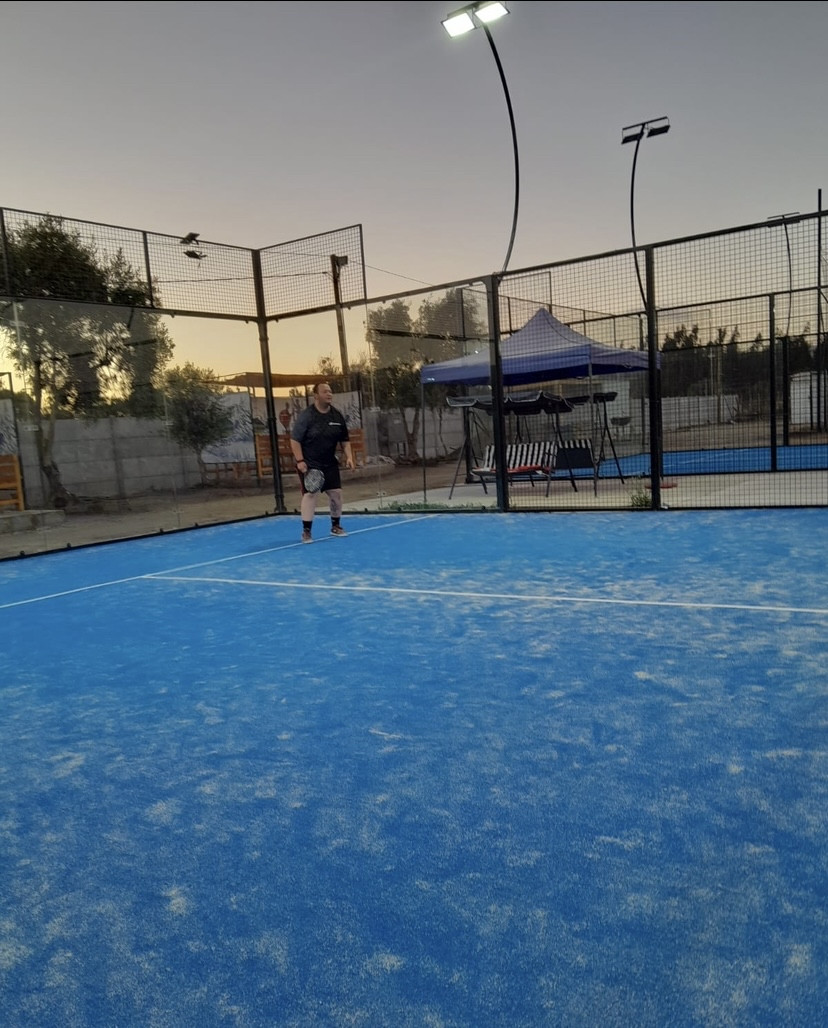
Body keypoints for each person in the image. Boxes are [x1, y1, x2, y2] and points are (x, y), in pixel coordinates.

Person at [290, 382, 355, 543]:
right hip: (310, 463)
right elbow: (295, 440)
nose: (329, 394)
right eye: (325, 391)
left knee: (336, 494)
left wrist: (349, 457)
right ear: (316, 396)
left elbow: (345, 440)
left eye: (330, 391)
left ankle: (336, 526)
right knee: (310, 494)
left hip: (330, 462)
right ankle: (306, 531)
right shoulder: (307, 416)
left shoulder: (337, 416)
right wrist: (300, 461)